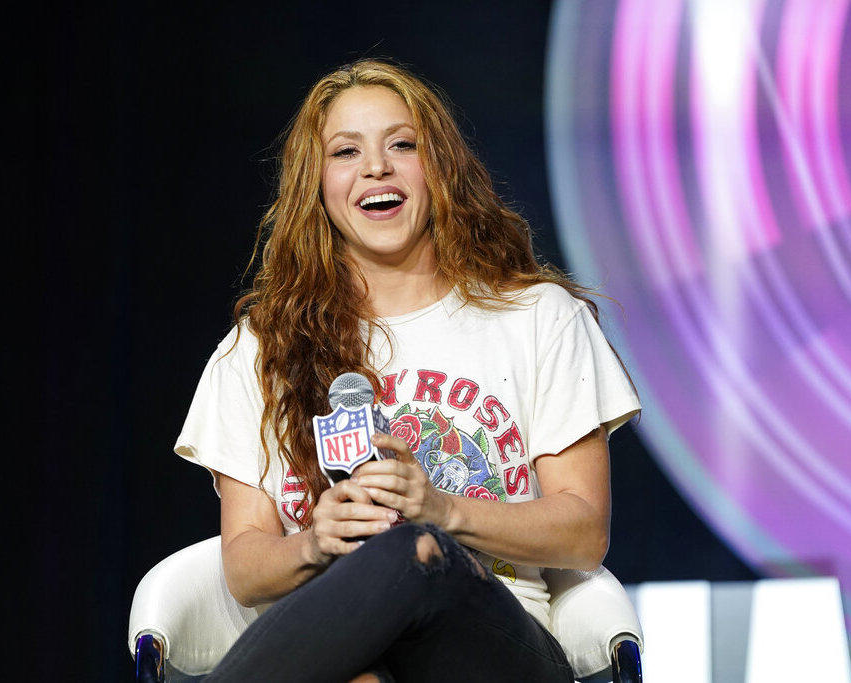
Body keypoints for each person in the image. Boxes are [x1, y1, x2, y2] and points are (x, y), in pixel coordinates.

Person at [175, 59, 640, 682]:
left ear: (439, 168)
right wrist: (315, 541)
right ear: (316, 185)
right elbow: (244, 565)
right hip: (343, 657)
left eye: (402, 144)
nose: (376, 167)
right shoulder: (260, 348)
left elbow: (583, 532)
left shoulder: (537, 318)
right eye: (346, 152)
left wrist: (441, 511)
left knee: (412, 551)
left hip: (499, 645)